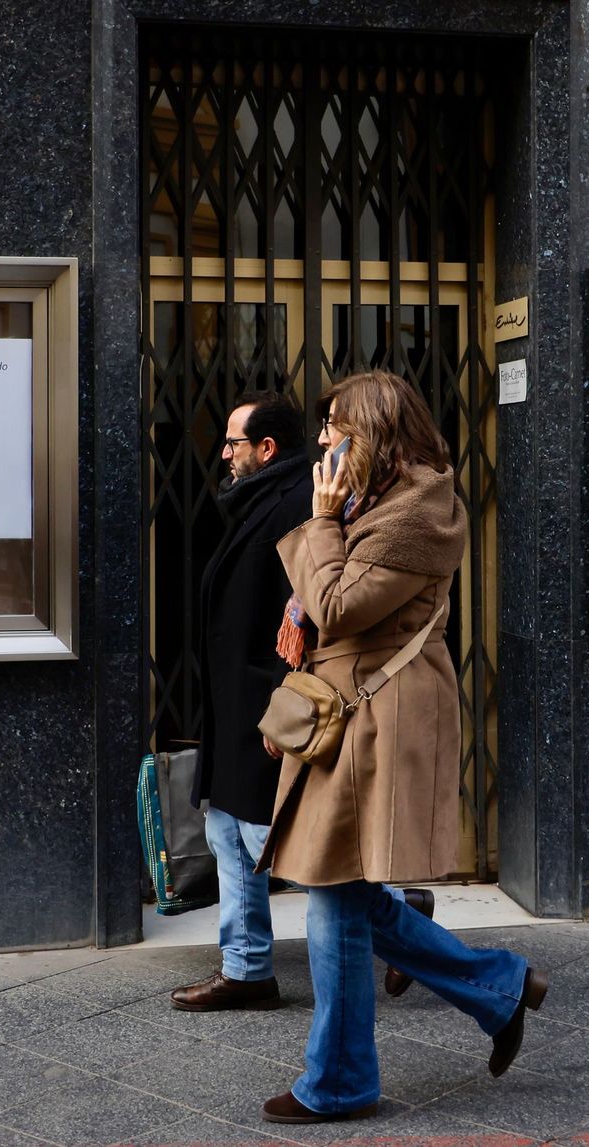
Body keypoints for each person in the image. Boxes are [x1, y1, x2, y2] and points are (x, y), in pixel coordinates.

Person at [256, 369, 548, 1125]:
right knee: (347, 891)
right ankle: (497, 985)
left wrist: (319, 522)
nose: (321, 443)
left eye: (333, 429)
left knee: (335, 892)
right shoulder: (376, 499)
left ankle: (343, 1080)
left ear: (374, 433)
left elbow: (336, 605)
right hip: (352, 709)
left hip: (375, 715)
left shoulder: (416, 513)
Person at [169, 390, 311, 1012]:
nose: (224, 453)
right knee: (227, 830)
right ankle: (247, 968)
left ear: (266, 448)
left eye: (233, 442)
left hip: (265, 706)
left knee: (267, 840)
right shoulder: (257, 501)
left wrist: (280, 702)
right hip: (235, 705)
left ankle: (408, 921)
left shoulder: (295, 505)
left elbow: (304, 611)